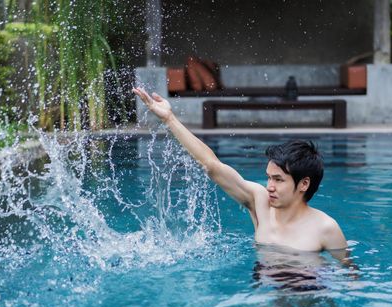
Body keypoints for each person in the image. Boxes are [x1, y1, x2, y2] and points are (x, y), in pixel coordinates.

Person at [133, 87, 347, 252]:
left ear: (304, 184)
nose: (269, 186)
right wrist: (170, 119)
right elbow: (212, 166)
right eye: (269, 178)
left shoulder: (325, 228)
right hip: (264, 296)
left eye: (279, 180)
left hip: (306, 296)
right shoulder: (260, 203)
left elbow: (348, 276)